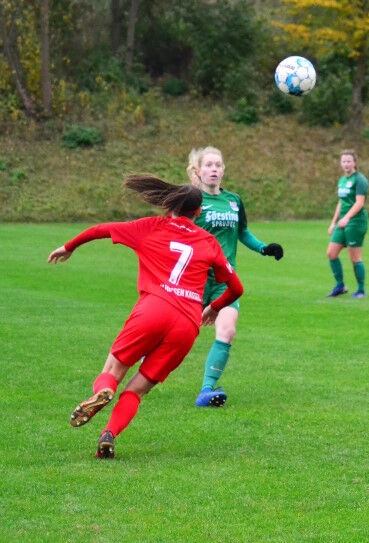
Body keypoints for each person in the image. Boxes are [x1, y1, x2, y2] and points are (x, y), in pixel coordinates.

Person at [47, 175, 245, 459]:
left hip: (153, 309)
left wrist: (69, 246)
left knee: (113, 371)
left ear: (169, 207)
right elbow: (236, 288)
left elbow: (101, 229)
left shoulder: (151, 226)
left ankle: (104, 392)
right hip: (187, 324)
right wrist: (214, 307)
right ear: (198, 212)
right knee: (137, 390)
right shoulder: (209, 242)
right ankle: (109, 434)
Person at [188, 146, 284, 408]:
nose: (214, 169)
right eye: (208, 165)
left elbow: (242, 232)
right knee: (178, 334)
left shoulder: (234, 200)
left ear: (223, 170)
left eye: (218, 165)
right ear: (198, 171)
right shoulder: (190, 201)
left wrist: (264, 248)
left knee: (227, 330)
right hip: (194, 279)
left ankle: (206, 390)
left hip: (225, 281)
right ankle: (145, 360)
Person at [326, 149, 369, 299]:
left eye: (349, 161)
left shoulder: (360, 180)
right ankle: (340, 286)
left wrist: (347, 218)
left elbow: (359, 202)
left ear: (355, 163)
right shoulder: (342, 180)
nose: (346, 164)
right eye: (343, 161)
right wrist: (333, 222)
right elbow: (341, 202)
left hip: (356, 222)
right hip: (343, 221)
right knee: (331, 253)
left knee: (355, 258)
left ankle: (361, 290)